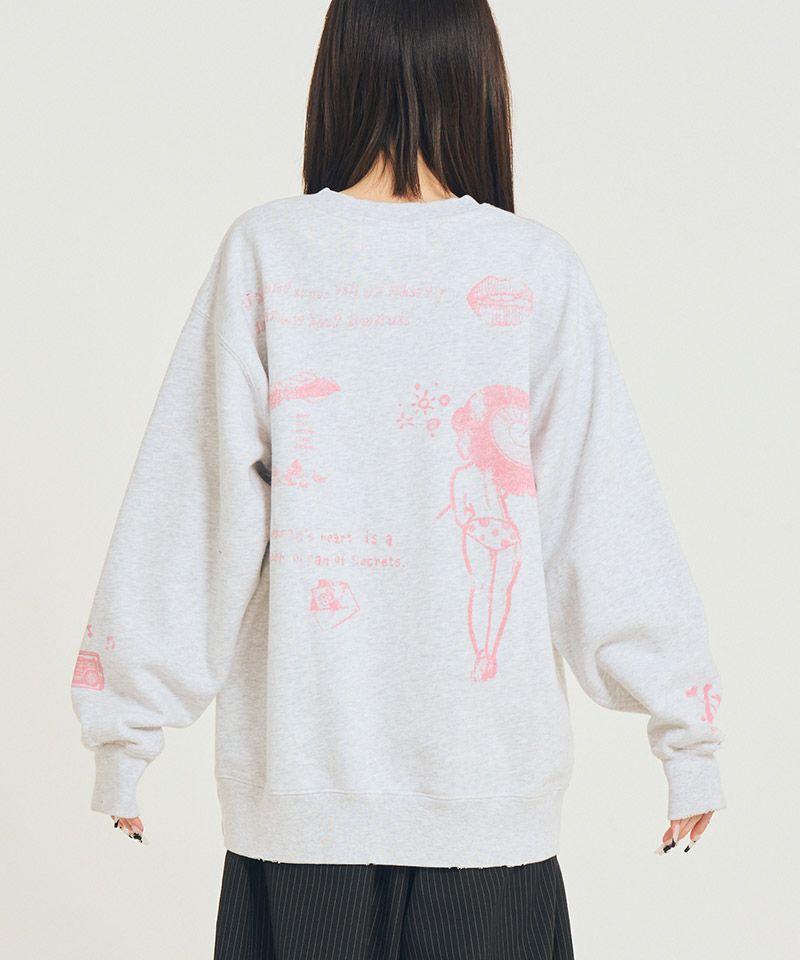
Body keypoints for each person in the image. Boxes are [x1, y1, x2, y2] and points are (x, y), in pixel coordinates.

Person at [70, 0, 727, 957]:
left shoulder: (271, 251)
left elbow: (193, 507)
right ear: (480, 80)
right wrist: (687, 737)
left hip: (303, 810)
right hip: (485, 806)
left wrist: (123, 733)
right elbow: (603, 520)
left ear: (337, 74)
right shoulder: (533, 268)